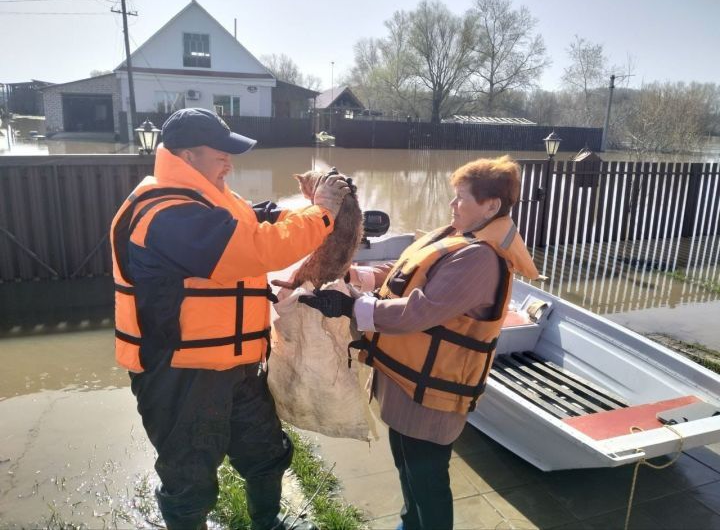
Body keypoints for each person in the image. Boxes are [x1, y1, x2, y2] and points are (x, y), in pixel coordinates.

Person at [110, 107, 349, 530]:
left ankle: (268, 523)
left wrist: (305, 208)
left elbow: (260, 220)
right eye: (219, 153)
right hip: (182, 373)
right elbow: (257, 250)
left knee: (266, 452)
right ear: (186, 157)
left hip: (238, 366)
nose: (229, 162)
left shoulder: (211, 201)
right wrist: (322, 213)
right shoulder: (163, 212)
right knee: (189, 478)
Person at [300, 155, 540, 530]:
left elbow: (419, 311)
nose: (452, 204)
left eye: (461, 197)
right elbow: (404, 272)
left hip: (431, 399)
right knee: (407, 470)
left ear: (491, 206)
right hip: (406, 383)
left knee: (427, 481)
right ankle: (409, 525)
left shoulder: (479, 258)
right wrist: (355, 274)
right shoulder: (456, 237)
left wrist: (352, 306)